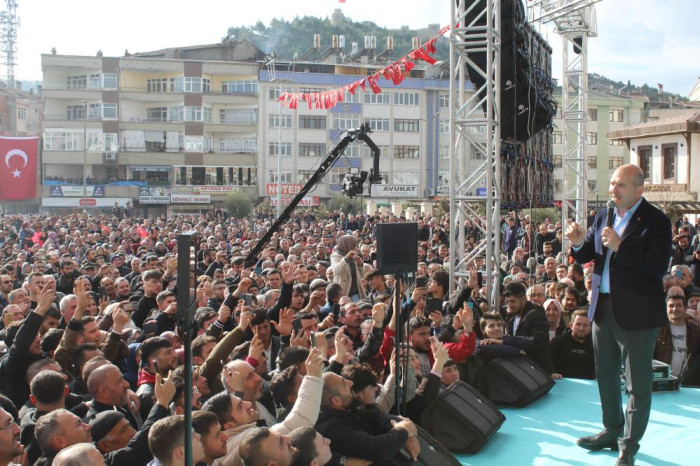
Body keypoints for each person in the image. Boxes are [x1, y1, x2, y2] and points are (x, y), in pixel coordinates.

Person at [567, 164, 672, 465]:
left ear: (639, 190)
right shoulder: (603, 215)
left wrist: (621, 246)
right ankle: (611, 431)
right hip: (603, 308)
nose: (613, 189)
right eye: (612, 183)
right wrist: (576, 241)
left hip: (637, 314)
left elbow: (657, 266)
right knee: (606, 375)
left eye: (621, 185)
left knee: (637, 384)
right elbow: (588, 253)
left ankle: (629, 445)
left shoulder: (657, 221)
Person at [653, 293, 700, 386]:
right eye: (671, 306)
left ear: (685, 308)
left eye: (679, 305)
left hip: (687, 383)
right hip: (662, 382)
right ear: (666, 309)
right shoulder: (656, 329)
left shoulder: (696, 330)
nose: (675, 309)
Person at [549, 310, 595, 379]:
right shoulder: (557, 342)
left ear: (591, 328)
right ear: (571, 325)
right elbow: (547, 361)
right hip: (562, 382)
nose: (581, 328)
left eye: (585, 325)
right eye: (578, 324)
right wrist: (552, 372)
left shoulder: (595, 345)